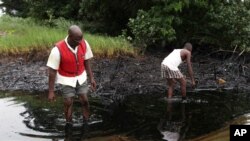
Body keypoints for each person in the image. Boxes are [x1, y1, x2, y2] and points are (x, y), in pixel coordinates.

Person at [47, 25, 96, 125]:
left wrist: (91, 78)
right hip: (66, 79)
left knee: (85, 100)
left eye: (81, 39)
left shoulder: (83, 43)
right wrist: (51, 91)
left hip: (81, 77)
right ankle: (68, 124)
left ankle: (86, 122)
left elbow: (87, 61)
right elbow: (52, 71)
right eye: (77, 40)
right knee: (68, 102)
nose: (79, 42)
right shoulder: (57, 50)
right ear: (69, 36)